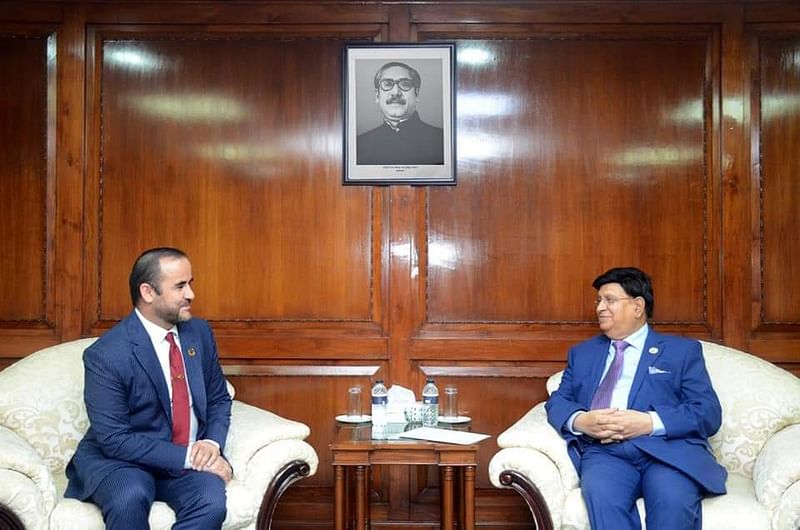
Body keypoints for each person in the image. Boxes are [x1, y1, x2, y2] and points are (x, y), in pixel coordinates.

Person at [546, 267, 726, 530]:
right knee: (602, 497)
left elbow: (708, 412)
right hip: (606, 453)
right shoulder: (582, 353)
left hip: (667, 451)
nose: (599, 308)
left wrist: (649, 422)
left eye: (609, 300)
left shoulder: (681, 351)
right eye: (598, 301)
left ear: (637, 306)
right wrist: (582, 420)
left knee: (672, 501)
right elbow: (558, 401)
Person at [65, 247, 232, 530]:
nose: (191, 294)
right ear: (147, 292)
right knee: (129, 496)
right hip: (122, 462)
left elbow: (217, 399)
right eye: (180, 286)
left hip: (183, 461)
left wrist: (211, 445)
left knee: (210, 500)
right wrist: (190, 457)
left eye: (190, 283)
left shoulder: (199, 333)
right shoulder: (106, 355)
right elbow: (115, 439)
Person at [356, 61, 444, 165]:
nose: (395, 92)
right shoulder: (359, 145)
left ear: (417, 94)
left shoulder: (442, 141)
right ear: (377, 95)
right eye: (387, 84)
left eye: (405, 84)